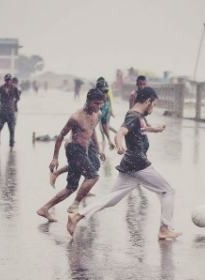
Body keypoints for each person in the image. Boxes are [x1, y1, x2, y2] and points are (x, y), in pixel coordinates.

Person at [67, 87, 182, 240]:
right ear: (147, 101)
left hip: (129, 165)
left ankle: (77, 216)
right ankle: (164, 229)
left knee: (112, 199)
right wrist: (119, 144)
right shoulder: (133, 116)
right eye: (153, 105)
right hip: (138, 163)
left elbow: (141, 129)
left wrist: (155, 129)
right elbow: (121, 132)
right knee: (168, 190)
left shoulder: (137, 115)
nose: (153, 108)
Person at [36, 89, 106, 222]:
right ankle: (75, 205)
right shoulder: (76, 117)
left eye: (100, 104)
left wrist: (98, 149)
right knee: (93, 176)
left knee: (71, 187)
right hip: (74, 149)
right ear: (89, 101)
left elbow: (92, 131)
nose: (98, 107)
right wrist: (55, 158)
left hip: (83, 149)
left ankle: (44, 209)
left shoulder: (97, 114)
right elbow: (61, 135)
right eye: (96, 103)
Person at [0, 74, 20, 150]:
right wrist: (1, 101)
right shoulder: (1, 88)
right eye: (7, 80)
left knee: (12, 130)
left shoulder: (14, 88)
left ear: (11, 80)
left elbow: (18, 98)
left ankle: (11, 146)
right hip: (2, 112)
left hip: (11, 113)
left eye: (9, 80)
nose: (8, 81)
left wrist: (13, 103)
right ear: (5, 80)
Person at [96, 78, 115, 151]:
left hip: (106, 112)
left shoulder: (106, 103)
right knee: (101, 129)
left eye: (106, 91)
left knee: (105, 126)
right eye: (102, 91)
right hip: (98, 115)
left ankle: (107, 141)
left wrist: (109, 140)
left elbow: (104, 124)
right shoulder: (93, 102)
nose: (105, 94)